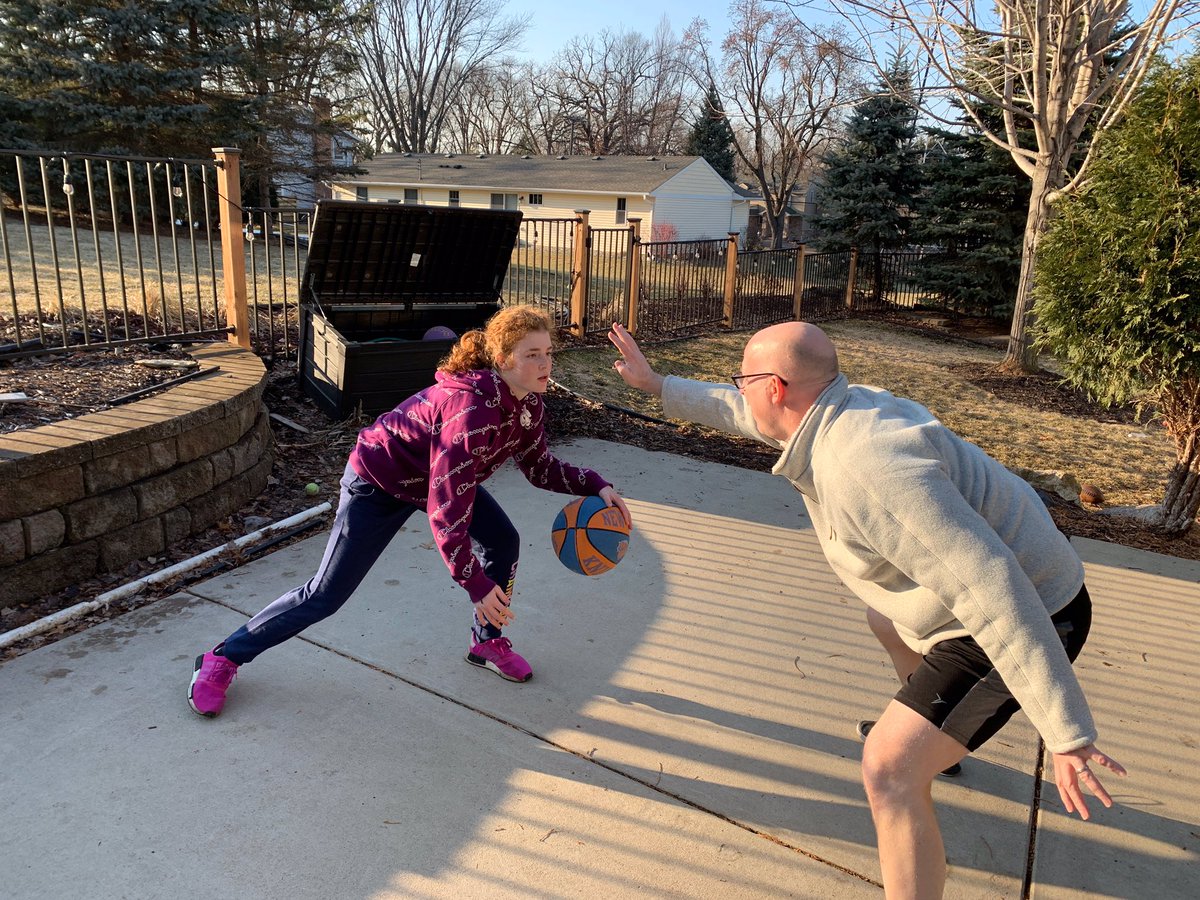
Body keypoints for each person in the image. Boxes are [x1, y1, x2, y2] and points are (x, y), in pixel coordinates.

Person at [608, 320, 1125, 899]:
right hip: (999, 586)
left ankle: (918, 766)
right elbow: (740, 410)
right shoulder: (834, 409)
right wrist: (657, 385)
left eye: (745, 379)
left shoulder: (868, 467)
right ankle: (937, 743)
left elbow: (994, 591)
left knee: (889, 771)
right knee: (886, 618)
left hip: (1035, 608)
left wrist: (1066, 734)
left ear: (777, 388)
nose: (741, 391)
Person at [187, 305, 630, 717]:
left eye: (548, 353)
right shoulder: (471, 411)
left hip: (436, 481)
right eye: (532, 355)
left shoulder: (528, 403)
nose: (545, 364)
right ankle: (222, 656)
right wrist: (474, 582)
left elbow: (539, 467)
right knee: (326, 593)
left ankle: (487, 642)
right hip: (380, 480)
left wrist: (595, 485)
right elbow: (447, 508)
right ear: (501, 358)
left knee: (503, 540)